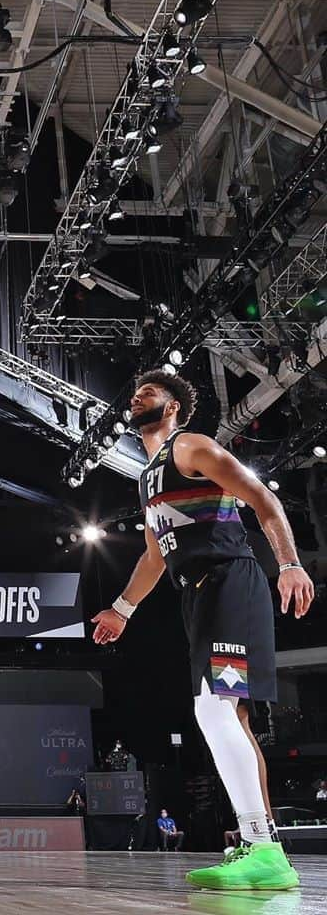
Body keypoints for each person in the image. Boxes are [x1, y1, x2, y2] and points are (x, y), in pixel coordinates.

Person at [92, 369, 315, 891]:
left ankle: (262, 847)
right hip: (197, 592)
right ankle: (263, 848)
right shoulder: (147, 476)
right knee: (224, 712)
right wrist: (122, 610)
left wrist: (289, 563)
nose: (137, 396)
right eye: (136, 391)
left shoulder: (189, 446)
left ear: (171, 408)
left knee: (213, 708)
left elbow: (263, 499)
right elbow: (153, 556)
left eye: (150, 392)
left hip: (229, 580)